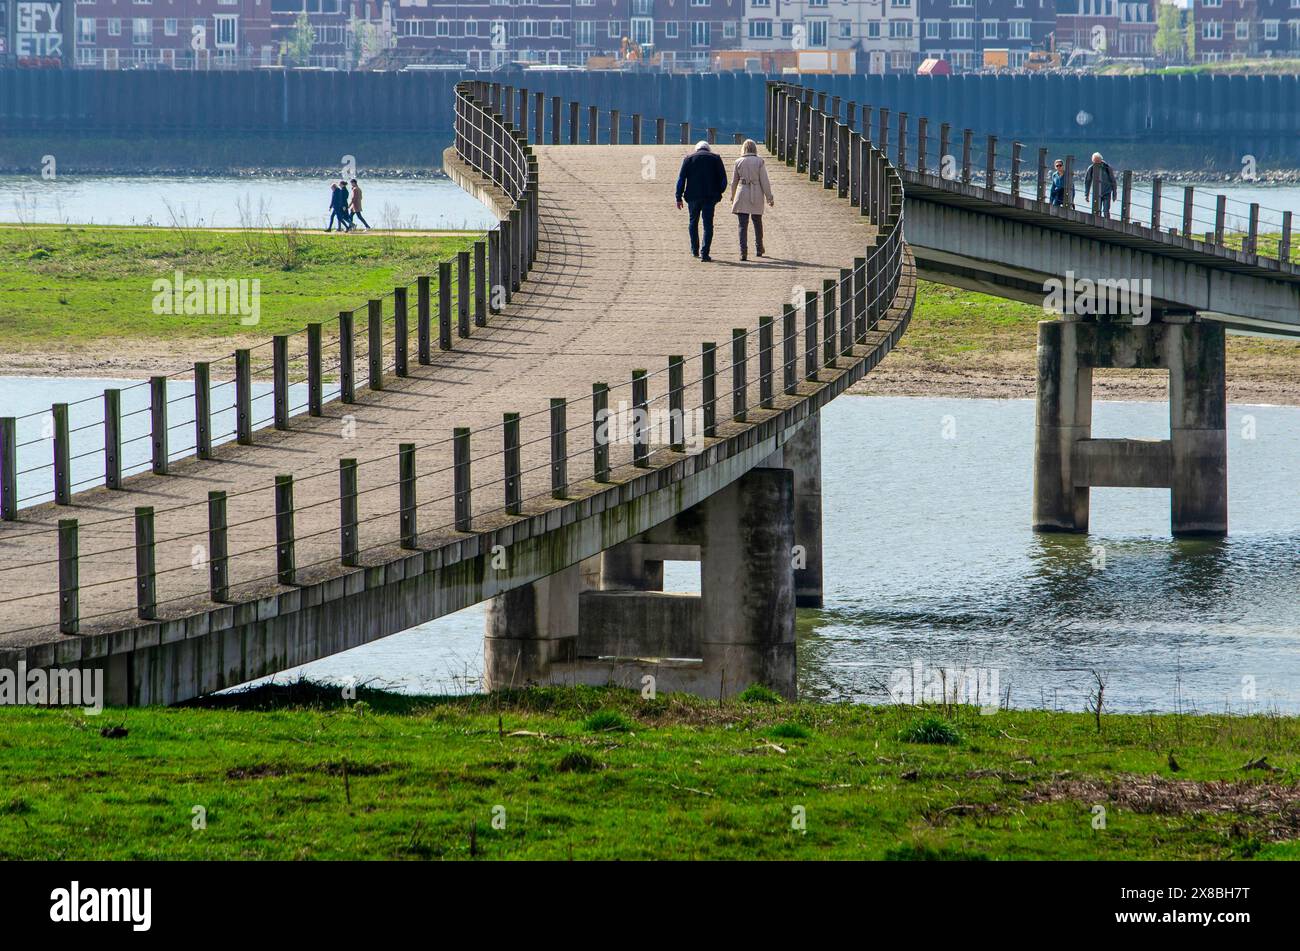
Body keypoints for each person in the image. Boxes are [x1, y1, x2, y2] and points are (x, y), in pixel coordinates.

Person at [674, 141, 728, 262]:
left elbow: (681, 179)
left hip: (692, 197)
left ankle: (694, 249)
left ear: (697, 149)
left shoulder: (688, 159)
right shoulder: (716, 158)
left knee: (693, 222)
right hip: (710, 197)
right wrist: (719, 192)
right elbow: (724, 180)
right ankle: (705, 253)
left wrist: (678, 196)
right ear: (708, 149)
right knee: (708, 225)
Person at [730, 138, 774, 261]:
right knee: (757, 222)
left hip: (742, 192)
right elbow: (764, 181)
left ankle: (743, 252)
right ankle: (759, 248)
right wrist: (769, 197)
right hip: (756, 192)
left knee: (742, 225)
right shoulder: (760, 161)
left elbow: (734, 182)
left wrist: (733, 196)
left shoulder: (738, 161)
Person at [1084, 152, 1117, 217]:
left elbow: (1113, 181)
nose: (1097, 164)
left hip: (1107, 192)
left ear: (1101, 160)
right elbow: (1087, 181)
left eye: (1098, 162)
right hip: (1096, 193)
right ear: (1093, 161)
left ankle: (1107, 224)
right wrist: (1086, 195)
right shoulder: (1091, 168)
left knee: (1106, 211)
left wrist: (1114, 194)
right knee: (1096, 211)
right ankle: (1096, 224)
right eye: (1095, 162)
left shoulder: (1107, 168)